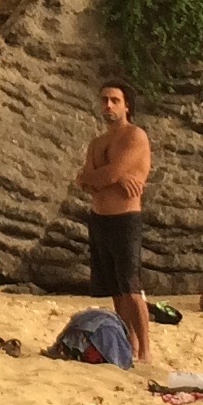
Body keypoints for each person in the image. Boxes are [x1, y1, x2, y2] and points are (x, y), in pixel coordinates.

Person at [72, 80, 154, 369]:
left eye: (114, 100)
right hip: (99, 219)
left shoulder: (135, 136)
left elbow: (107, 174)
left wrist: (109, 175)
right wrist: (112, 177)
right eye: (104, 99)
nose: (108, 105)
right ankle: (128, 344)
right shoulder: (97, 143)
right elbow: (84, 180)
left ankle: (145, 349)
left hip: (125, 219)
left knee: (131, 287)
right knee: (116, 290)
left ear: (126, 105)